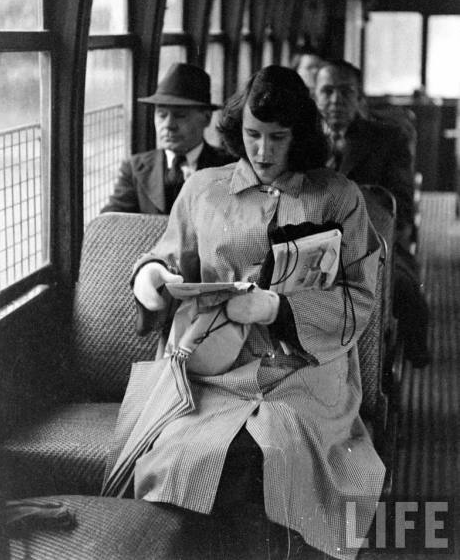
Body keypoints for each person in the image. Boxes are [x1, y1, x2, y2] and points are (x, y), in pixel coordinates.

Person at [120, 67, 384, 559]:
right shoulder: (203, 188)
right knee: (188, 455)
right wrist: (151, 275)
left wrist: (277, 308)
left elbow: (359, 299)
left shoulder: (337, 197)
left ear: (299, 136)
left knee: (267, 455)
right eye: (252, 136)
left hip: (304, 371)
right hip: (212, 371)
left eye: (277, 139)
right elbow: (170, 252)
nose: (262, 153)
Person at [314, 59, 430, 367]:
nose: (336, 101)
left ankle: (410, 353)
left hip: (373, 240)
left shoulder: (386, 139)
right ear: (315, 97)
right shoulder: (301, 142)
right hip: (313, 245)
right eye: (327, 92)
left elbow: (401, 202)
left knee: (405, 291)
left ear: (359, 99)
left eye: (345, 92)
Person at [101, 63, 233, 214]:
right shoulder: (135, 169)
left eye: (180, 115)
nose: (169, 125)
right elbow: (110, 223)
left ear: (206, 118)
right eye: (162, 115)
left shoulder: (229, 167)